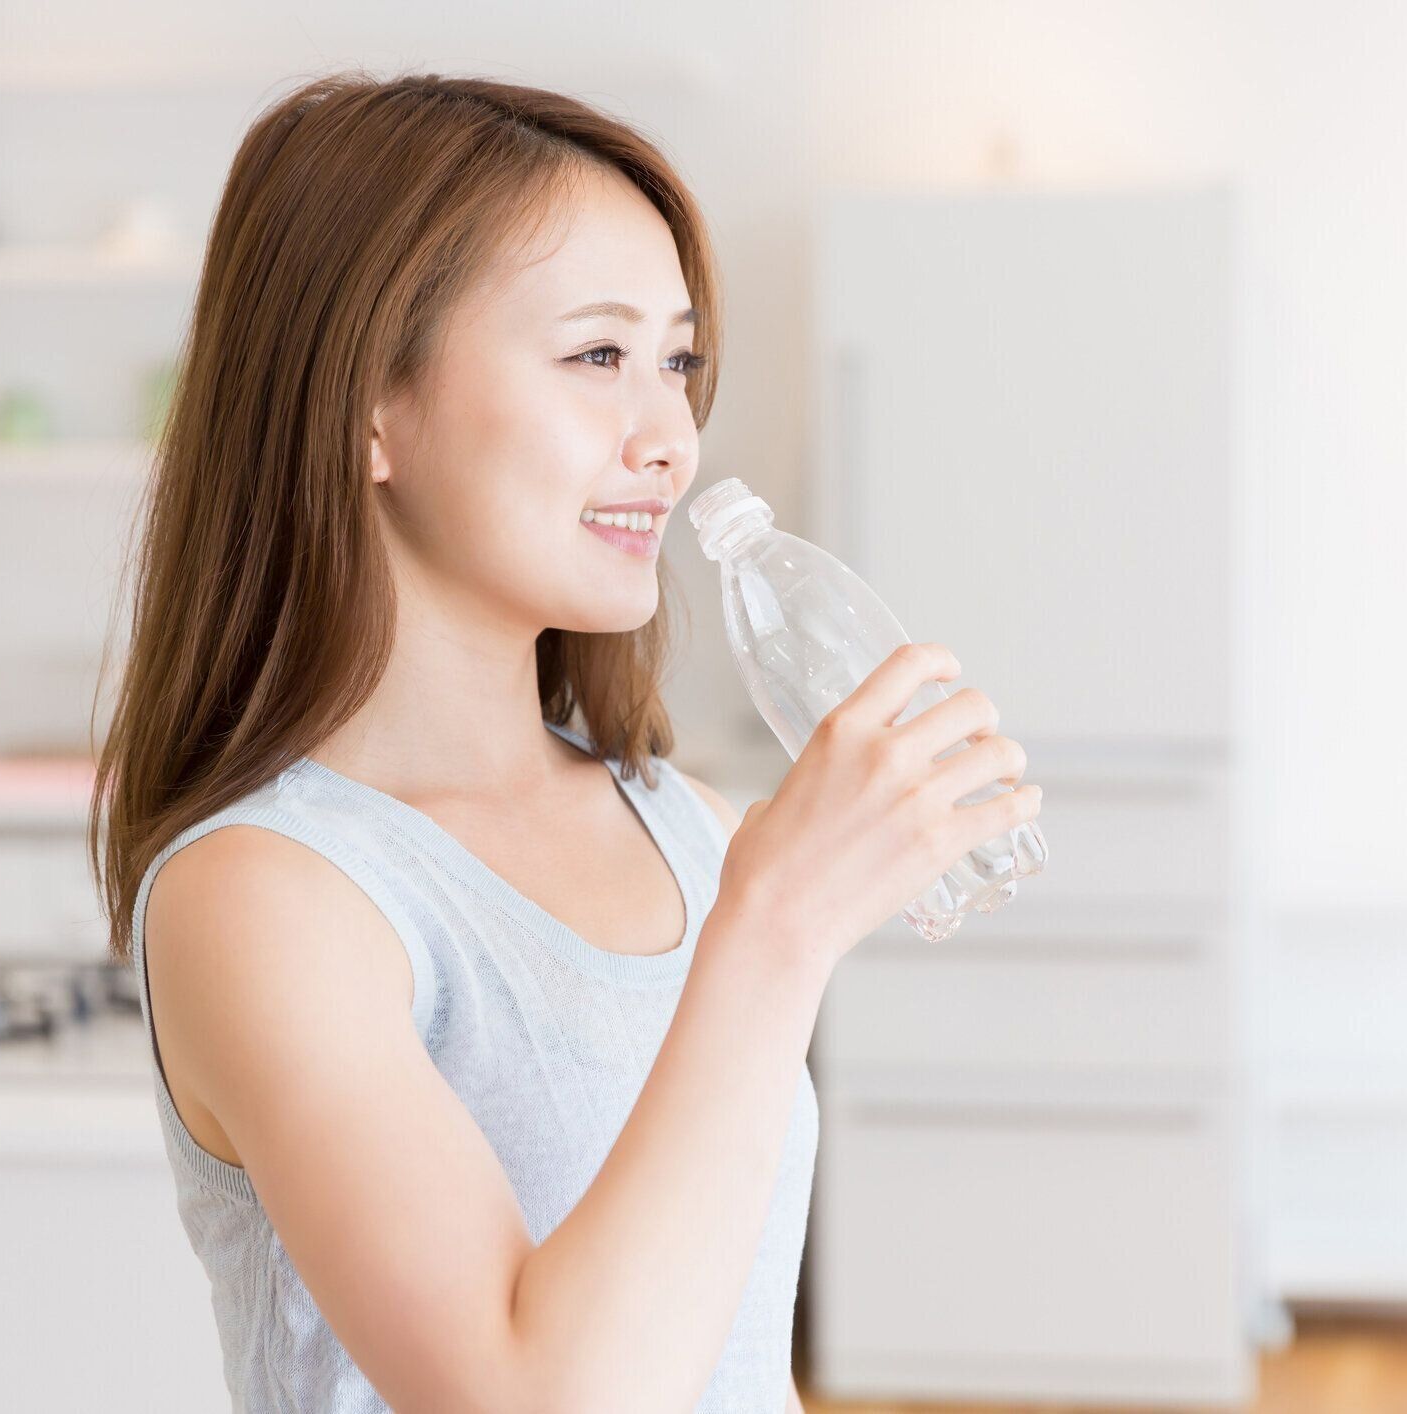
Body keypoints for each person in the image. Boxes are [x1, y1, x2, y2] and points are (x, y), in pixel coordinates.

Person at [89, 70, 1040, 1413]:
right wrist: (772, 930)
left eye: (679, 362)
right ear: (371, 406)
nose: (670, 437)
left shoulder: (688, 825)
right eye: (598, 355)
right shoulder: (265, 899)